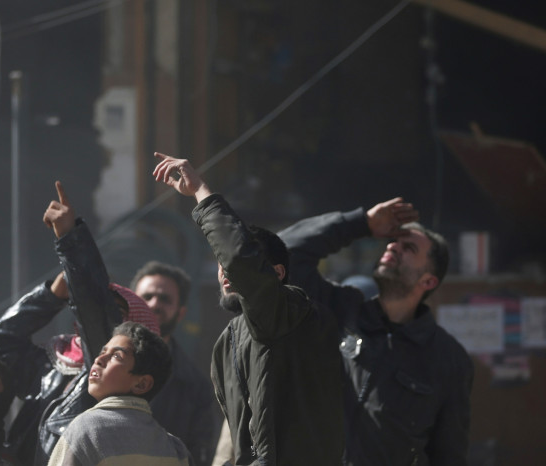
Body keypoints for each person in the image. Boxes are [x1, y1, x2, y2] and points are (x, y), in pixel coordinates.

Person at [152, 152, 344, 465]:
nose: (225, 271)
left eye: (231, 263)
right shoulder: (228, 341)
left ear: (277, 274)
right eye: (220, 264)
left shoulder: (292, 311)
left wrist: (201, 191)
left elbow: (240, 261)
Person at [277, 197, 474, 465]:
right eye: (393, 241)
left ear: (428, 281)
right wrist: (360, 224)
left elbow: (449, 454)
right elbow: (282, 255)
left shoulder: (448, 359)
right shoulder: (339, 310)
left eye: (409, 248)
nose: (393, 247)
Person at [0, 181, 158, 466]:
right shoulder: (52, 367)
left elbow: (95, 313)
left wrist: (71, 239)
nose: (110, 322)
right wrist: (51, 296)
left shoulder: (111, 387)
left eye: (118, 314)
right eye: (108, 308)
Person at [48, 321, 194, 466]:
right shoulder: (176, 450)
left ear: (141, 384)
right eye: (102, 352)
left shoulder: (86, 430)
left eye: (116, 356)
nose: (99, 360)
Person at [130, 261, 218, 465]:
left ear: (181, 313)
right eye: (147, 297)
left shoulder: (196, 388)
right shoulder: (97, 362)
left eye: (165, 299)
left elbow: (199, 456)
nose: (154, 304)